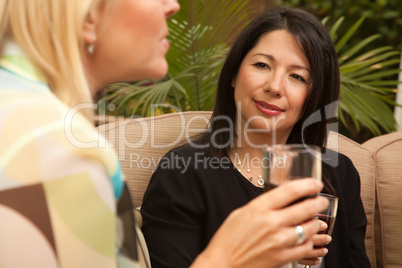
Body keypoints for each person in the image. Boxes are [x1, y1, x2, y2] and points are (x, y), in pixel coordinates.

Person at [0, 1, 328, 268]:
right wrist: (229, 257)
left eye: (298, 76)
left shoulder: (34, 119)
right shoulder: (58, 147)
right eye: (261, 65)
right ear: (88, 16)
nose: (172, 6)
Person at [141, 6, 370, 268]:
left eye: (297, 76)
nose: (274, 86)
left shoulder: (340, 175)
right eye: (262, 65)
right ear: (234, 74)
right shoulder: (183, 174)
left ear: (314, 96)